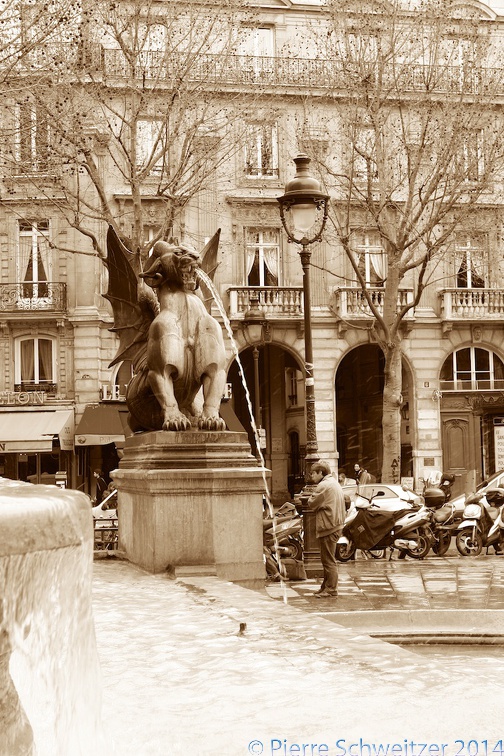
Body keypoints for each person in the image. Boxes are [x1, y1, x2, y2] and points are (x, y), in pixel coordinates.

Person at [308, 461, 346, 598]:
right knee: (327, 559)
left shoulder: (323, 485)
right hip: (335, 524)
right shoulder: (334, 483)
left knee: (328, 560)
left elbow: (312, 503)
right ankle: (325, 586)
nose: (311, 476)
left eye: (313, 473)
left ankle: (331, 589)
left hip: (329, 526)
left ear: (320, 473)